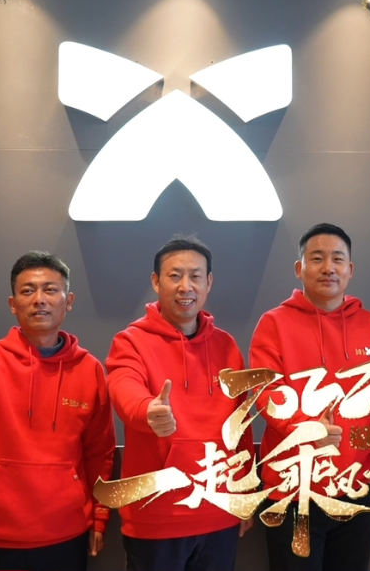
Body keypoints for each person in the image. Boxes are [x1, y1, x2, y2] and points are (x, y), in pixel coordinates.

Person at [0, 251, 115, 571]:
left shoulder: (89, 369)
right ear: (13, 304)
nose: (39, 300)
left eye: (50, 289)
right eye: (27, 290)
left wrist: (100, 516)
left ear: (68, 301)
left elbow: (99, 452)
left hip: (65, 533)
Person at [251, 223, 370, 571]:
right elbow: (265, 394)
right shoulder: (274, 324)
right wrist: (308, 429)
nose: (328, 267)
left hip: (357, 489)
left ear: (350, 269)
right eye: (317, 258)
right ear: (299, 268)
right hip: (292, 491)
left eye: (337, 259)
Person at [106, 235, 253, 571]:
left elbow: (240, 426)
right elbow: (124, 389)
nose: (185, 286)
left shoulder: (227, 347)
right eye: (174, 276)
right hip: (156, 516)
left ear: (208, 282)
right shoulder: (130, 342)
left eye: (195, 276)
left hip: (220, 512)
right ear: (156, 281)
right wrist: (147, 411)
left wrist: (245, 492)